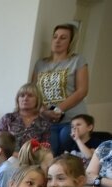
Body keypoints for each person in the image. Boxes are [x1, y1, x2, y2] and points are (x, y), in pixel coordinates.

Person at [32, 23, 90, 154]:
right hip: (47, 118)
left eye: (63, 38)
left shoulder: (77, 60)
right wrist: (43, 111)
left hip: (72, 118)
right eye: (55, 37)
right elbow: (33, 92)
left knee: (65, 141)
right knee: (49, 151)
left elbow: (82, 91)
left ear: (70, 42)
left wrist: (58, 109)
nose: (57, 40)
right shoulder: (40, 64)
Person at [0, 83, 52, 150]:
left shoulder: (44, 123)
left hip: (32, 159)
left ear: (37, 100)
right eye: (22, 96)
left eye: (30, 96)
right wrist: (14, 155)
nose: (25, 98)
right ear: (17, 99)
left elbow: (44, 149)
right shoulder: (8, 118)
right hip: (7, 157)